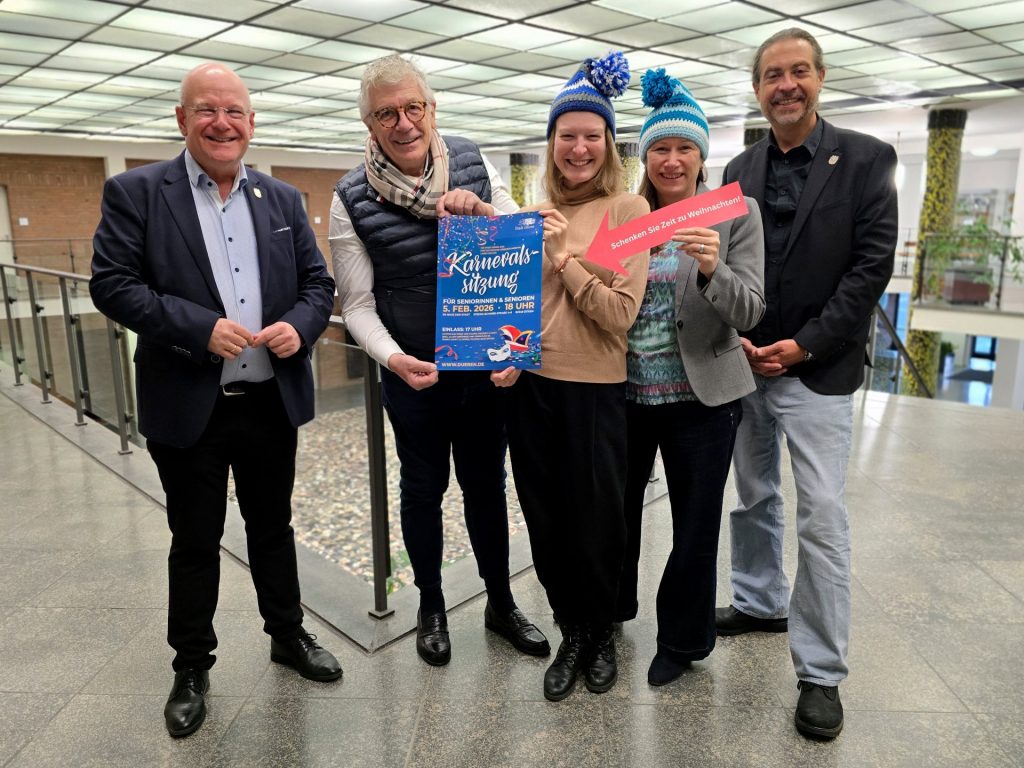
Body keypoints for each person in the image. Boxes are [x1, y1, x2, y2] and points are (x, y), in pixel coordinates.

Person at [90, 62, 342, 739]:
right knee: (194, 538)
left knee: (273, 528)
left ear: (252, 124)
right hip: (189, 401)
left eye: (234, 110)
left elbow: (319, 285)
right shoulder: (136, 192)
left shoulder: (282, 200)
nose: (221, 122)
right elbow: (111, 285)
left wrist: (303, 324)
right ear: (182, 119)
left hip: (268, 401)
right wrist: (197, 327)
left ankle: (287, 636)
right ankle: (192, 667)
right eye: (206, 110)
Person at [329, 54, 548, 667]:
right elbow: (358, 303)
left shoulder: (474, 161)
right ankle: (430, 604)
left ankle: (501, 602)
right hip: (414, 377)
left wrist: (481, 212)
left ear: (432, 109)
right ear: (369, 125)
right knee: (422, 490)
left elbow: (519, 241)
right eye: (386, 114)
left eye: (413, 108)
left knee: (486, 486)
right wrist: (394, 359)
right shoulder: (350, 197)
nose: (403, 123)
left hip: (482, 371)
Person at [716, 28, 897, 739]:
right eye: (771, 75)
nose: (784, 84)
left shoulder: (867, 160)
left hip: (818, 369)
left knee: (822, 515)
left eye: (797, 72)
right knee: (754, 492)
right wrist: (739, 339)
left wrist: (804, 345)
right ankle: (759, 601)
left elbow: (869, 270)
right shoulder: (737, 168)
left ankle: (821, 673)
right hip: (746, 364)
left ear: (820, 78)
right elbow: (728, 268)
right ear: (757, 89)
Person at [505, 51, 650, 701]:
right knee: (547, 518)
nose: (580, 147)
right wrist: (503, 353)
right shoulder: (530, 213)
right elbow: (517, 310)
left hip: (595, 390)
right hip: (532, 388)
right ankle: (570, 628)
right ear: (552, 143)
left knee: (598, 520)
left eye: (592, 135)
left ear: (608, 145)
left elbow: (619, 315)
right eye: (568, 135)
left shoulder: (626, 211)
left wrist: (566, 259)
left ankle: (600, 632)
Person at [616, 70, 766, 687]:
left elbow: (751, 309)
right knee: (616, 516)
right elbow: (597, 295)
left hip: (703, 399)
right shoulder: (627, 216)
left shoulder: (733, 212)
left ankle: (680, 640)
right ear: (645, 157)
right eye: (660, 148)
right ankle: (611, 613)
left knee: (696, 523)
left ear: (703, 155)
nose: (672, 160)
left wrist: (711, 269)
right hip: (624, 394)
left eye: (684, 148)